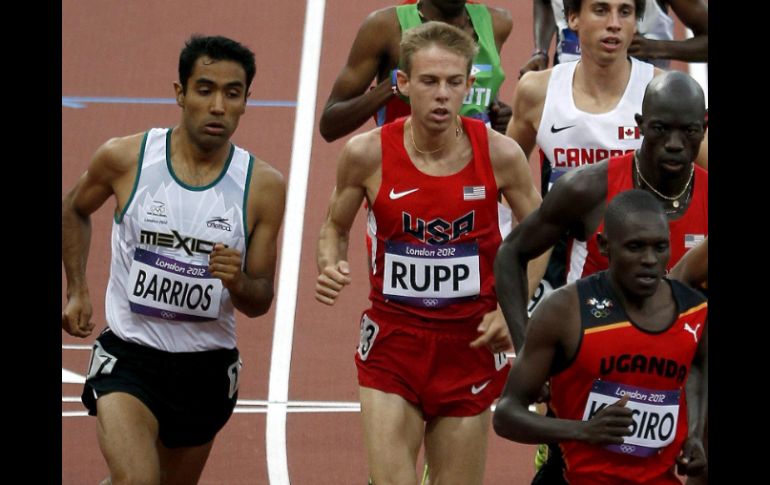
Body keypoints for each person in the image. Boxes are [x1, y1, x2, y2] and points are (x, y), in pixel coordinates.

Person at [315, 22, 546, 484]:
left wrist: (511, 305)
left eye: (453, 82)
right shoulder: (367, 154)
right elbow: (333, 227)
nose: (442, 94)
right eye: (429, 81)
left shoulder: (500, 155)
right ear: (402, 83)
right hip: (393, 341)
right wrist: (329, 262)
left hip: (470, 343)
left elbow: (541, 233)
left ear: (469, 86)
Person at [61, 35, 286, 484]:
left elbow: (260, 299)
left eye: (232, 93)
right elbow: (74, 208)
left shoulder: (262, 186)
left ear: (245, 102)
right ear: (180, 93)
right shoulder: (126, 158)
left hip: (205, 368)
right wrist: (78, 289)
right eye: (205, 90)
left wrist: (238, 281)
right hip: (130, 357)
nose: (218, 106)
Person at [493, 189, 708, 484]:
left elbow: (696, 365)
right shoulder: (565, 311)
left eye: (660, 247)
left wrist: (695, 435)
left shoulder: (694, 310)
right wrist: (582, 430)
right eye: (635, 247)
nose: (649, 260)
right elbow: (505, 415)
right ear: (605, 245)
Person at [318, 0, 514, 142]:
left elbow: (483, 92)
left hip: (473, 181)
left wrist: (498, 117)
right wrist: (393, 85)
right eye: (430, 81)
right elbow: (330, 125)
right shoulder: (385, 27)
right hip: (404, 175)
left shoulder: (497, 24)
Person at [519, 0, 708, 76]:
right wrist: (540, 51)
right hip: (571, 93)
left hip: (643, 102)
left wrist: (655, 47)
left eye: (625, 12)